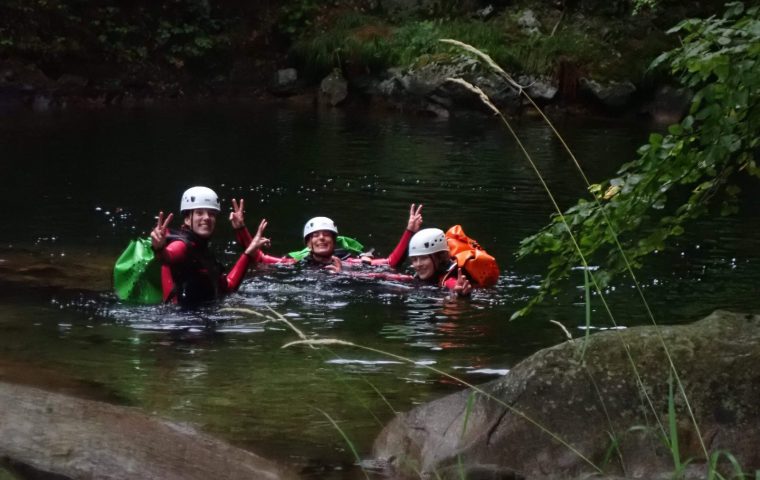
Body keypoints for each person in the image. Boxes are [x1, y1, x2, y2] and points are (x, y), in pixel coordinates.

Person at [150, 186, 268, 307]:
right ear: (187, 218)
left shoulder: (203, 251)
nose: (206, 217)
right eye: (199, 213)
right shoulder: (181, 245)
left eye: (211, 214)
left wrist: (248, 254)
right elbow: (167, 257)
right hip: (180, 323)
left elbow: (228, 287)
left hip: (202, 318)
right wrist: (159, 248)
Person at [247, 204, 424, 272]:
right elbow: (259, 258)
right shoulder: (296, 263)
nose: (321, 238)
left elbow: (391, 262)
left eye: (326, 235)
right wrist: (241, 228)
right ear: (308, 243)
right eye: (315, 236)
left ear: (335, 240)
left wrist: (409, 231)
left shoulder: (351, 262)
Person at [354, 227, 473, 297]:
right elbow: (384, 276)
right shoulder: (421, 277)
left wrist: (459, 290)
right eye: (415, 259)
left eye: (424, 258)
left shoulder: (446, 280)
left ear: (439, 257)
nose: (418, 264)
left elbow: (451, 284)